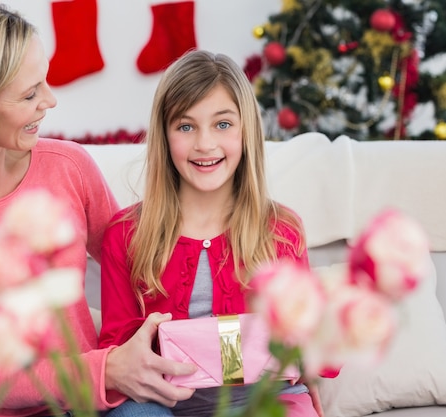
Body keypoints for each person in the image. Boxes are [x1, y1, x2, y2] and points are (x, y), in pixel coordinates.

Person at [0, 1, 196, 416]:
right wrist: (111, 369)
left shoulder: (69, 166)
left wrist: (280, 354)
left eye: (43, 83)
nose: (49, 101)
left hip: (89, 399)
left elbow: (147, 270)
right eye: (29, 94)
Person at [98, 50, 327, 417]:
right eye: (186, 127)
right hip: (161, 403)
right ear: (165, 136)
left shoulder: (281, 231)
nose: (205, 144)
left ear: (246, 130)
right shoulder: (126, 234)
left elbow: (309, 336)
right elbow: (115, 348)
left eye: (222, 124)